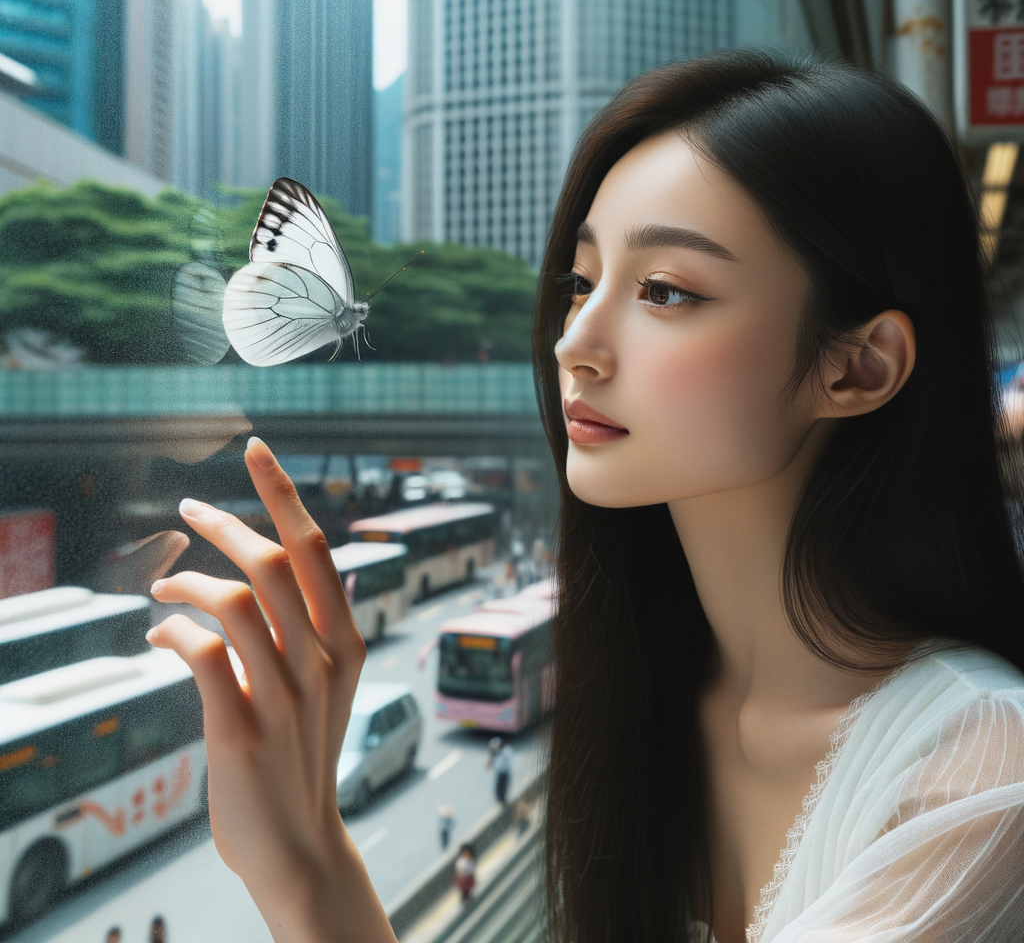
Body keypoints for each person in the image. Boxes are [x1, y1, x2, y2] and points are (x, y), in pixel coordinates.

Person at [147, 49, 1024, 943]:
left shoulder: (981, 791)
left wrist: (306, 874)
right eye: (580, 282)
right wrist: (299, 856)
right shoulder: (659, 696)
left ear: (858, 366)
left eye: (665, 291)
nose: (576, 343)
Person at [485, 736, 513, 805]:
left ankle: (503, 802)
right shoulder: (495, 753)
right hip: (499, 773)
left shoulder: (506, 751)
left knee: (503, 788)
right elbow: (489, 764)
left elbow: (508, 761)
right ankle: (500, 801)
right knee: (497, 789)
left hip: (505, 773)